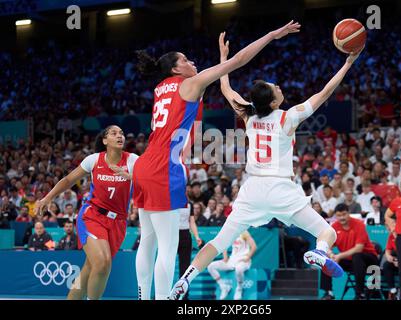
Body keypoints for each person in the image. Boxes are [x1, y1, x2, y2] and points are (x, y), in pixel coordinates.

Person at [170, 33, 363, 300]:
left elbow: (225, 89)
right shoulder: (288, 117)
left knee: (218, 242)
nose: (279, 87)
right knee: (327, 232)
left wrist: (224, 59)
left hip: (252, 191)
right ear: (273, 102)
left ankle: (186, 278)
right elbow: (324, 92)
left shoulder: (247, 114)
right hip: (281, 188)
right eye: (276, 88)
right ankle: (319, 252)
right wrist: (348, 63)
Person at [132, 20, 301, 300]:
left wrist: (222, 60)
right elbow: (240, 60)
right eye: (185, 60)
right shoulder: (190, 83)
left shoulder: (160, 89)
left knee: (147, 243)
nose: (192, 62)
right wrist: (272, 34)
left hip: (144, 164)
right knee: (167, 245)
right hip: (164, 169)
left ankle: (142, 296)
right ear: (176, 69)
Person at [34, 125, 138, 300]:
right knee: (103, 263)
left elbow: (149, 179)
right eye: (114, 133)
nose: (120, 136)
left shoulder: (132, 161)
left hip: (118, 222)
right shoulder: (94, 160)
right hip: (92, 216)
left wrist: (132, 177)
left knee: (90, 268)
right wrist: (47, 198)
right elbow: (68, 180)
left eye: (122, 133)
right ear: (105, 141)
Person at [320, 204, 379, 300]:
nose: (342, 217)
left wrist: (339, 256)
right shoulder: (334, 227)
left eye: (344, 214)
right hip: (351, 261)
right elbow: (327, 246)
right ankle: (329, 293)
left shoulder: (359, 224)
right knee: (326, 260)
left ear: (349, 213)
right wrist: (331, 254)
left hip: (370, 259)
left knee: (357, 256)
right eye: (339, 215)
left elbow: (359, 248)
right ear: (335, 216)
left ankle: (360, 294)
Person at [207, 231, 256, 300]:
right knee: (211, 266)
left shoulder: (245, 232)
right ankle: (224, 287)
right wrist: (225, 257)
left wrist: (247, 258)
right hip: (232, 261)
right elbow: (224, 245)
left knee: (239, 269)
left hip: (243, 260)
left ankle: (239, 288)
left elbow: (254, 246)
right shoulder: (232, 232)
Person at [177, 201, 203, 300]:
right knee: (167, 265)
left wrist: (197, 237)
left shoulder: (190, 204)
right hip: (171, 234)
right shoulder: (170, 200)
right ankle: (162, 295)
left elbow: (192, 222)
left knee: (185, 268)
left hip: (185, 236)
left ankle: (184, 296)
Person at [382, 232, 399, 300]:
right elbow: (387, 250)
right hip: (395, 260)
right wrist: (389, 257)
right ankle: (392, 290)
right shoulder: (391, 235)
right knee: (386, 265)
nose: (388, 228)